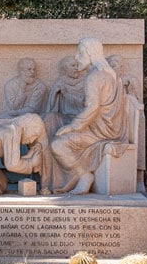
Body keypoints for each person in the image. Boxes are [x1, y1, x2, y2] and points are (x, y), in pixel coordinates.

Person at [51, 38, 129, 194]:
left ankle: (84, 176)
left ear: (90, 54)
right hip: (113, 128)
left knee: (57, 144)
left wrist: (72, 127)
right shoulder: (110, 73)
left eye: (80, 53)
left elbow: (92, 108)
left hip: (100, 131)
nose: (77, 57)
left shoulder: (94, 76)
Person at [43, 55, 87, 136]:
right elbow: (51, 107)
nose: (76, 68)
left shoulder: (85, 81)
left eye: (77, 65)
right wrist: (54, 93)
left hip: (83, 118)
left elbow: (85, 103)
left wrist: (66, 93)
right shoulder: (61, 82)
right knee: (49, 117)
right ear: (65, 69)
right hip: (66, 118)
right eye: (73, 66)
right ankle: (48, 145)